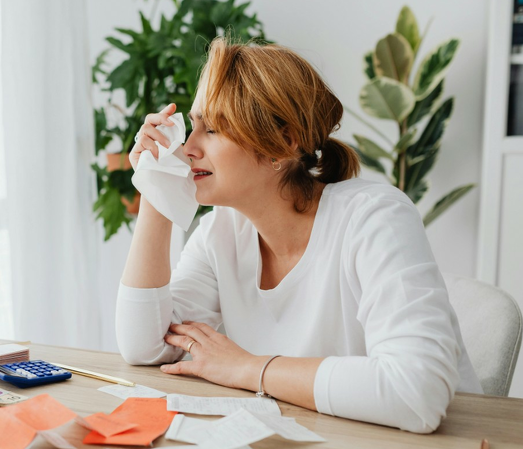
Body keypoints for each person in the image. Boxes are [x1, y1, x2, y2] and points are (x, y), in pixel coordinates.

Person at [116, 37, 482, 434]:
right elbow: (147, 346)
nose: (187, 148)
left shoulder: (375, 217)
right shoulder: (221, 233)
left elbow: (417, 394)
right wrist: (155, 186)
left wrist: (247, 367)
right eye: (193, 126)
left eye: (214, 129)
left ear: (284, 144)